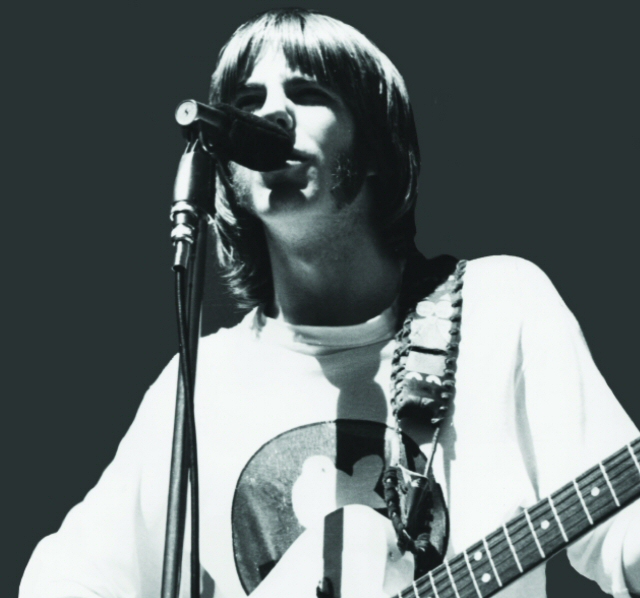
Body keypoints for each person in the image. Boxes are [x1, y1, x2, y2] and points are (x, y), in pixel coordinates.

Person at [20, 8, 640, 598]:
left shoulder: (501, 308)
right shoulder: (202, 382)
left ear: (373, 147)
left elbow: (624, 535)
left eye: (307, 92)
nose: (272, 115)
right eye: (248, 103)